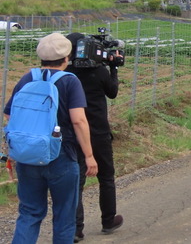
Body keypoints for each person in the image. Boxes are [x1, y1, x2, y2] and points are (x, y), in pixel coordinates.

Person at [3, 32, 98, 243]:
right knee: (64, 216)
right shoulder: (70, 82)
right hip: (61, 155)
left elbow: (9, 113)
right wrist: (89, 155)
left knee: (29, 213)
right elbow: (79, 121)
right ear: (67, 58)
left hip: (28, 156)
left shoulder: (27, 78)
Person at [65, 33, 124, 242]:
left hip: (74, 132)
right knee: (106, 176)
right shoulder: (99, 71)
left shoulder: (67, 72)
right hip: (98, 131)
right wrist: (113, 68)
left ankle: (75, 228)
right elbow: (113, 92)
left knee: (76, 181)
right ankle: (108, 220)